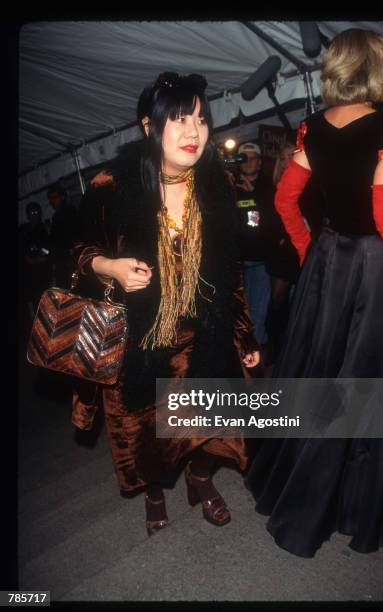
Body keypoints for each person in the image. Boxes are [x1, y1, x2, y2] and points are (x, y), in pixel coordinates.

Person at [71, 72, 260, 536]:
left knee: (217, 425)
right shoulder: (111, 185)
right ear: (149, 127)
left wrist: (244, 332)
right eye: (179, 120)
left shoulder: (217, 185)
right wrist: (109, 266)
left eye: (200, 118)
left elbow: (229, 271)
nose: (194, 132)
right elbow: (72, 250)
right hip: (139, 340)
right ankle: (156, 494)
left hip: (201, 333)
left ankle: (200, 480)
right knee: (146, 431)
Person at [245, 28, 383, 556]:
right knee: (368, 385)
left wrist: (309, 248)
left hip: (327, 264)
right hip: (376, 269)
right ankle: (353, 504)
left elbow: (286, 198)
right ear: (379, 67)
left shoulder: (312, 126)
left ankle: (303, 491)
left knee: (320, 378)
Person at [234, 142, 273, 349]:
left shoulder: (268, 187)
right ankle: (241, 351)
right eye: (244, 158)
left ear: (259, 162)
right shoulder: (229, 185)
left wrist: (254, 196)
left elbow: (274, 221)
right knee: (239, 310)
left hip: (260, 261)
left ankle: (256, 353)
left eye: (253, 158)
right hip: (236, 261)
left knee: (258, 309)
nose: (248, 162)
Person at [264, 141, 300, 363]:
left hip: (300, 246)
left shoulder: (304, 181)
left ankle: (291, 346)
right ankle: (274, 346)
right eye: (284, 157)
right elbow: (267, 218)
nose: (288, 161)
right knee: (278, 299)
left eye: (292, 156)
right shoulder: (273, 185)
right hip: (281, 250)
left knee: (298, 300)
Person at [18, 201, 52, 325]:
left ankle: (45, 323)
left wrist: (41, 257)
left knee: (42, 299)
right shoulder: (23, 229)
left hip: (41, 272)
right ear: (27, 215)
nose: (34, 214)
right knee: (29, 301)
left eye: (36, 212)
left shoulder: (44, 229)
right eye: (31, 212)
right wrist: (25, 256)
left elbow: (48, 249)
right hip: (27, 273)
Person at [48, 182, 80, 288]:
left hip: (70, 261)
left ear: (62, 197)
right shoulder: (56, 216)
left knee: (70, 290)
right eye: (50, 198)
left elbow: (75, 234)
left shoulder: (69, 211)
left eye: (55, 197)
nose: (52, 201)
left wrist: (70, 251)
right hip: (62, 261)